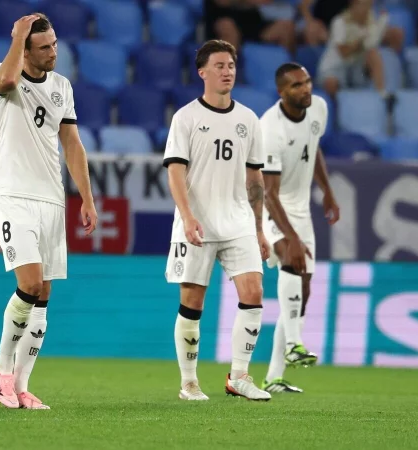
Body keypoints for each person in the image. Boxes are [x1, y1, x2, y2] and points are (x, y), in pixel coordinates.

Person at [0, 13, 97, 410]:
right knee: (29, 284)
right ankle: (2, 369)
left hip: (51, 198)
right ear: (26, 49)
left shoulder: (62, 87)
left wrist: (86, 195)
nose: (54, 53)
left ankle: (22, 384)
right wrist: (16, 36)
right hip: (13, 195)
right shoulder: (1, 74)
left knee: (44, 294)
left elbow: (72, 143)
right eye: (45, 47)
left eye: (55, 45)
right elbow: (10, 81)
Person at [164, 39, 272, 402]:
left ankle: (239, 376)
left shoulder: (248, 119)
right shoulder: (186, 117)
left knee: (254, 292)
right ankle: (189, 382)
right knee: (193, 301)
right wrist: (188, 216)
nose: (228, 72)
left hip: (238, 220)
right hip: (197, 222)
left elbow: (255, 179)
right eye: (221, 66)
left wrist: (259, 228)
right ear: (203, 72)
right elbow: (176, 173)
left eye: (232, 65)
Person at [259, 63, 340, 393]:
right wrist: (289, 237)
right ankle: (294, 344)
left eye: (307, 82)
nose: (305, 89)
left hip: (302, 211)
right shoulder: (271, 129)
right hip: (270, 207)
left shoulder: (318, 107)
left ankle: (274, 377)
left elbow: (313, 148)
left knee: (301, 295)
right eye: (296, 85)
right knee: (291, 262)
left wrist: (328, 192)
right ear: (282, 92)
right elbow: (268, 193)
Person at [316, 0, 392, 99]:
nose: (364, 10)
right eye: (361, 5)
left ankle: (382, 95)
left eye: (367, 6)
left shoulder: (371, 24)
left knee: (374, 54)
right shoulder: (339, 22)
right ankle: (338, 110)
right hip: (335, 68)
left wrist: (381, 25)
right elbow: (343, 52)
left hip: (356, 69)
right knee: (331, 83)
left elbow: (372, 44)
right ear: (353, 5)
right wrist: (361, 43)